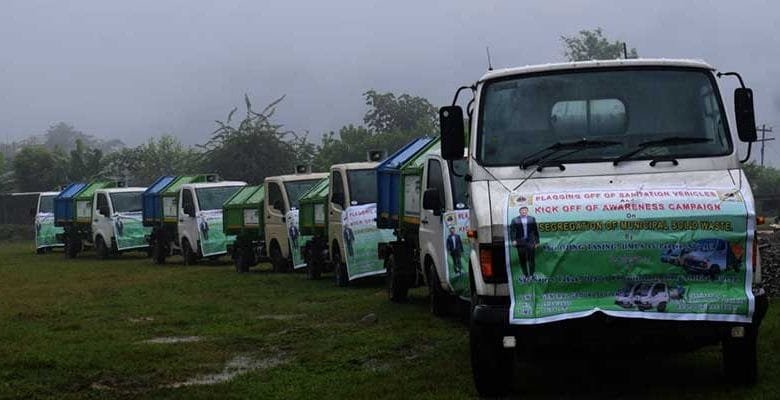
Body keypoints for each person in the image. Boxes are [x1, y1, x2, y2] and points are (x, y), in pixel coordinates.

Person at [509, 206, 539, 277]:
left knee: (531, 259)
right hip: (520, 242)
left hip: (530, 242)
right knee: (522, 259)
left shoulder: (532, 219)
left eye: (525, 210)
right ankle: (525, 274)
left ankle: (531, 274)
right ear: (520, 212)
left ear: (527, 211)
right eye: (522, 210)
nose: (524, 212)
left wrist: (537, 242)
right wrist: (513, 240)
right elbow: (512, 231)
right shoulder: (515, 220)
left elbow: (535, 231)